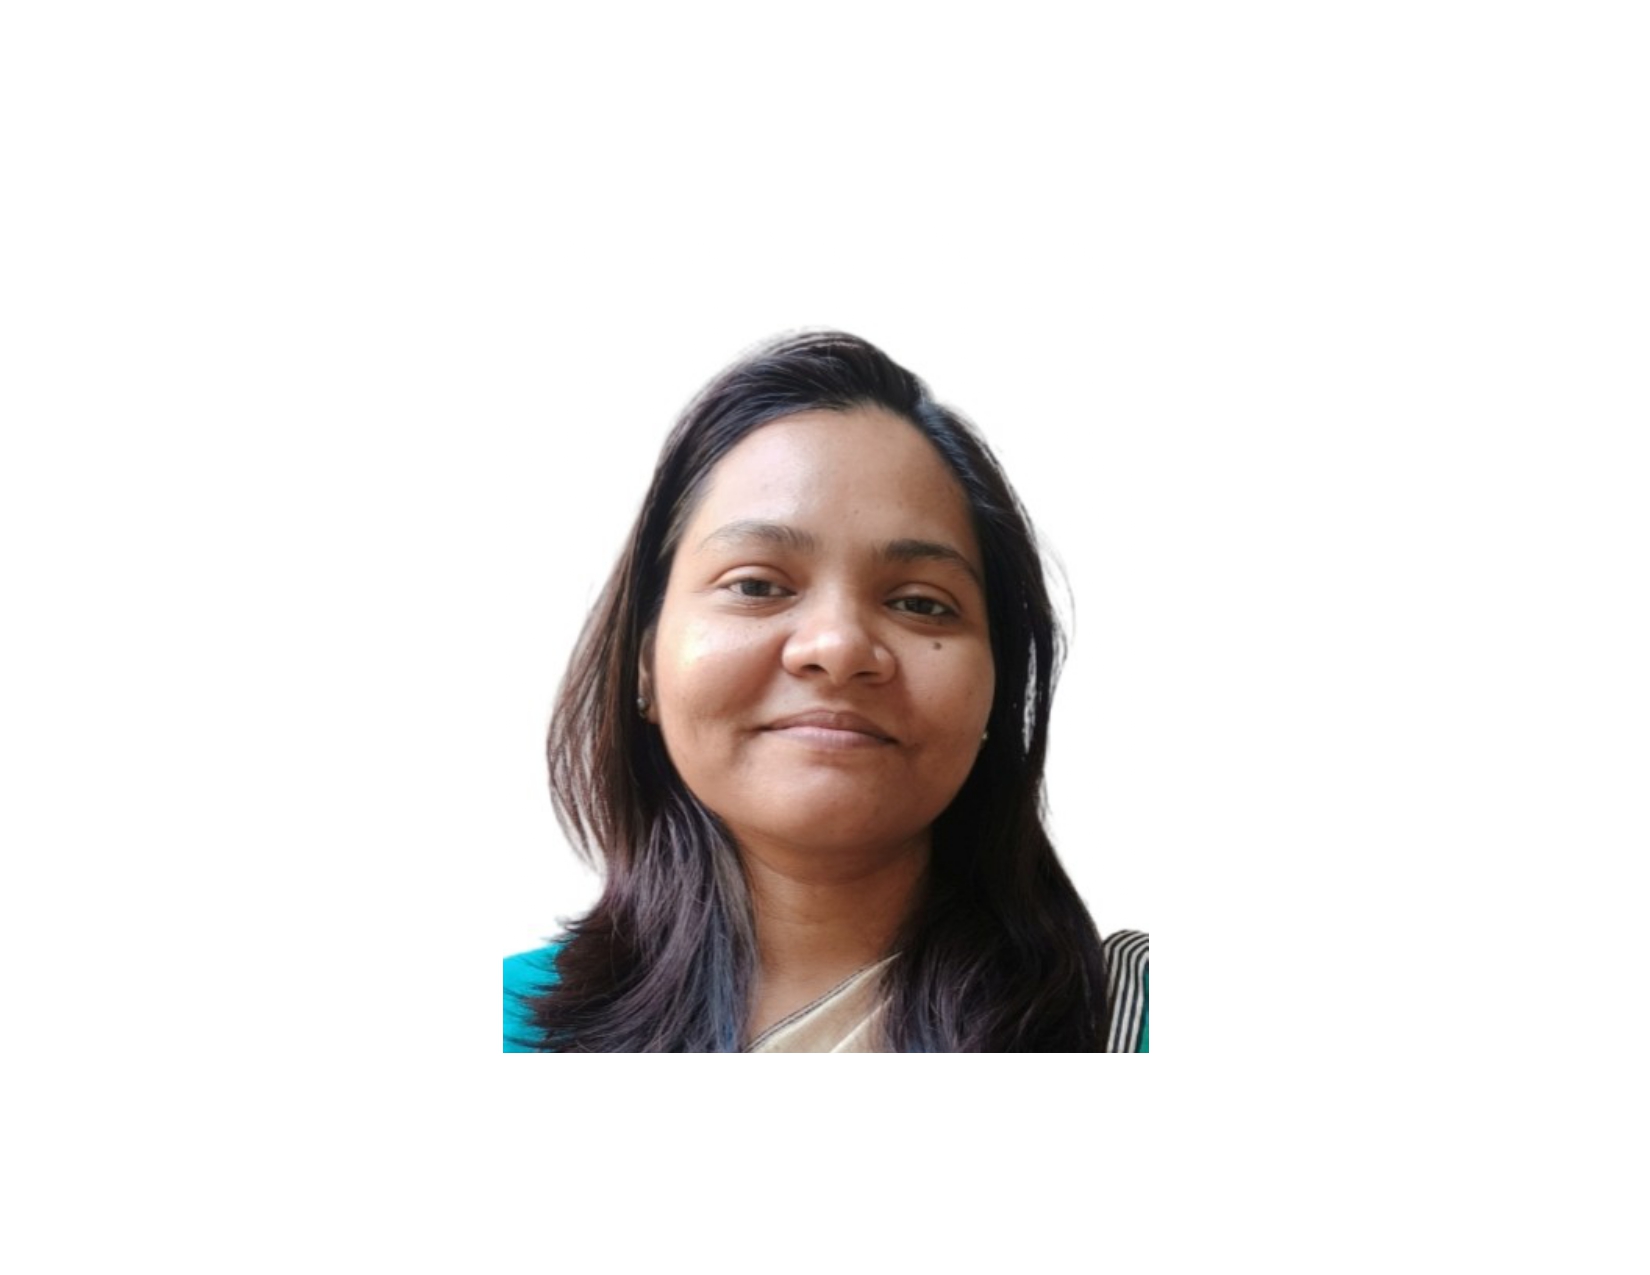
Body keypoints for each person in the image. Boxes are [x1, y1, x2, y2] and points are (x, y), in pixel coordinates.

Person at [504, 331, 1148, 1052]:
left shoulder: (1131, 1025)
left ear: (998, 688)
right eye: (756, 585)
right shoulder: (505, 1025)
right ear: (644, 660)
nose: (838, 648)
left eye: (921, 603)